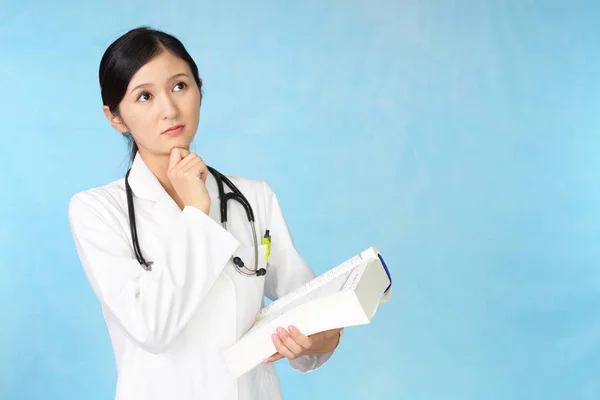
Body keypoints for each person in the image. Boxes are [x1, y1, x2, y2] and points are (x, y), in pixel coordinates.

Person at [68, 26, 342, 400]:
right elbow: (151, 328)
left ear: (199, 88)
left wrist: (321, 339)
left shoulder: (252, 197)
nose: (169, 109)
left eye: (179, 86)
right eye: (144, 96)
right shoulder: (98, 211)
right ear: (115, 117)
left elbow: (312, 312)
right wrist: (197, 213)